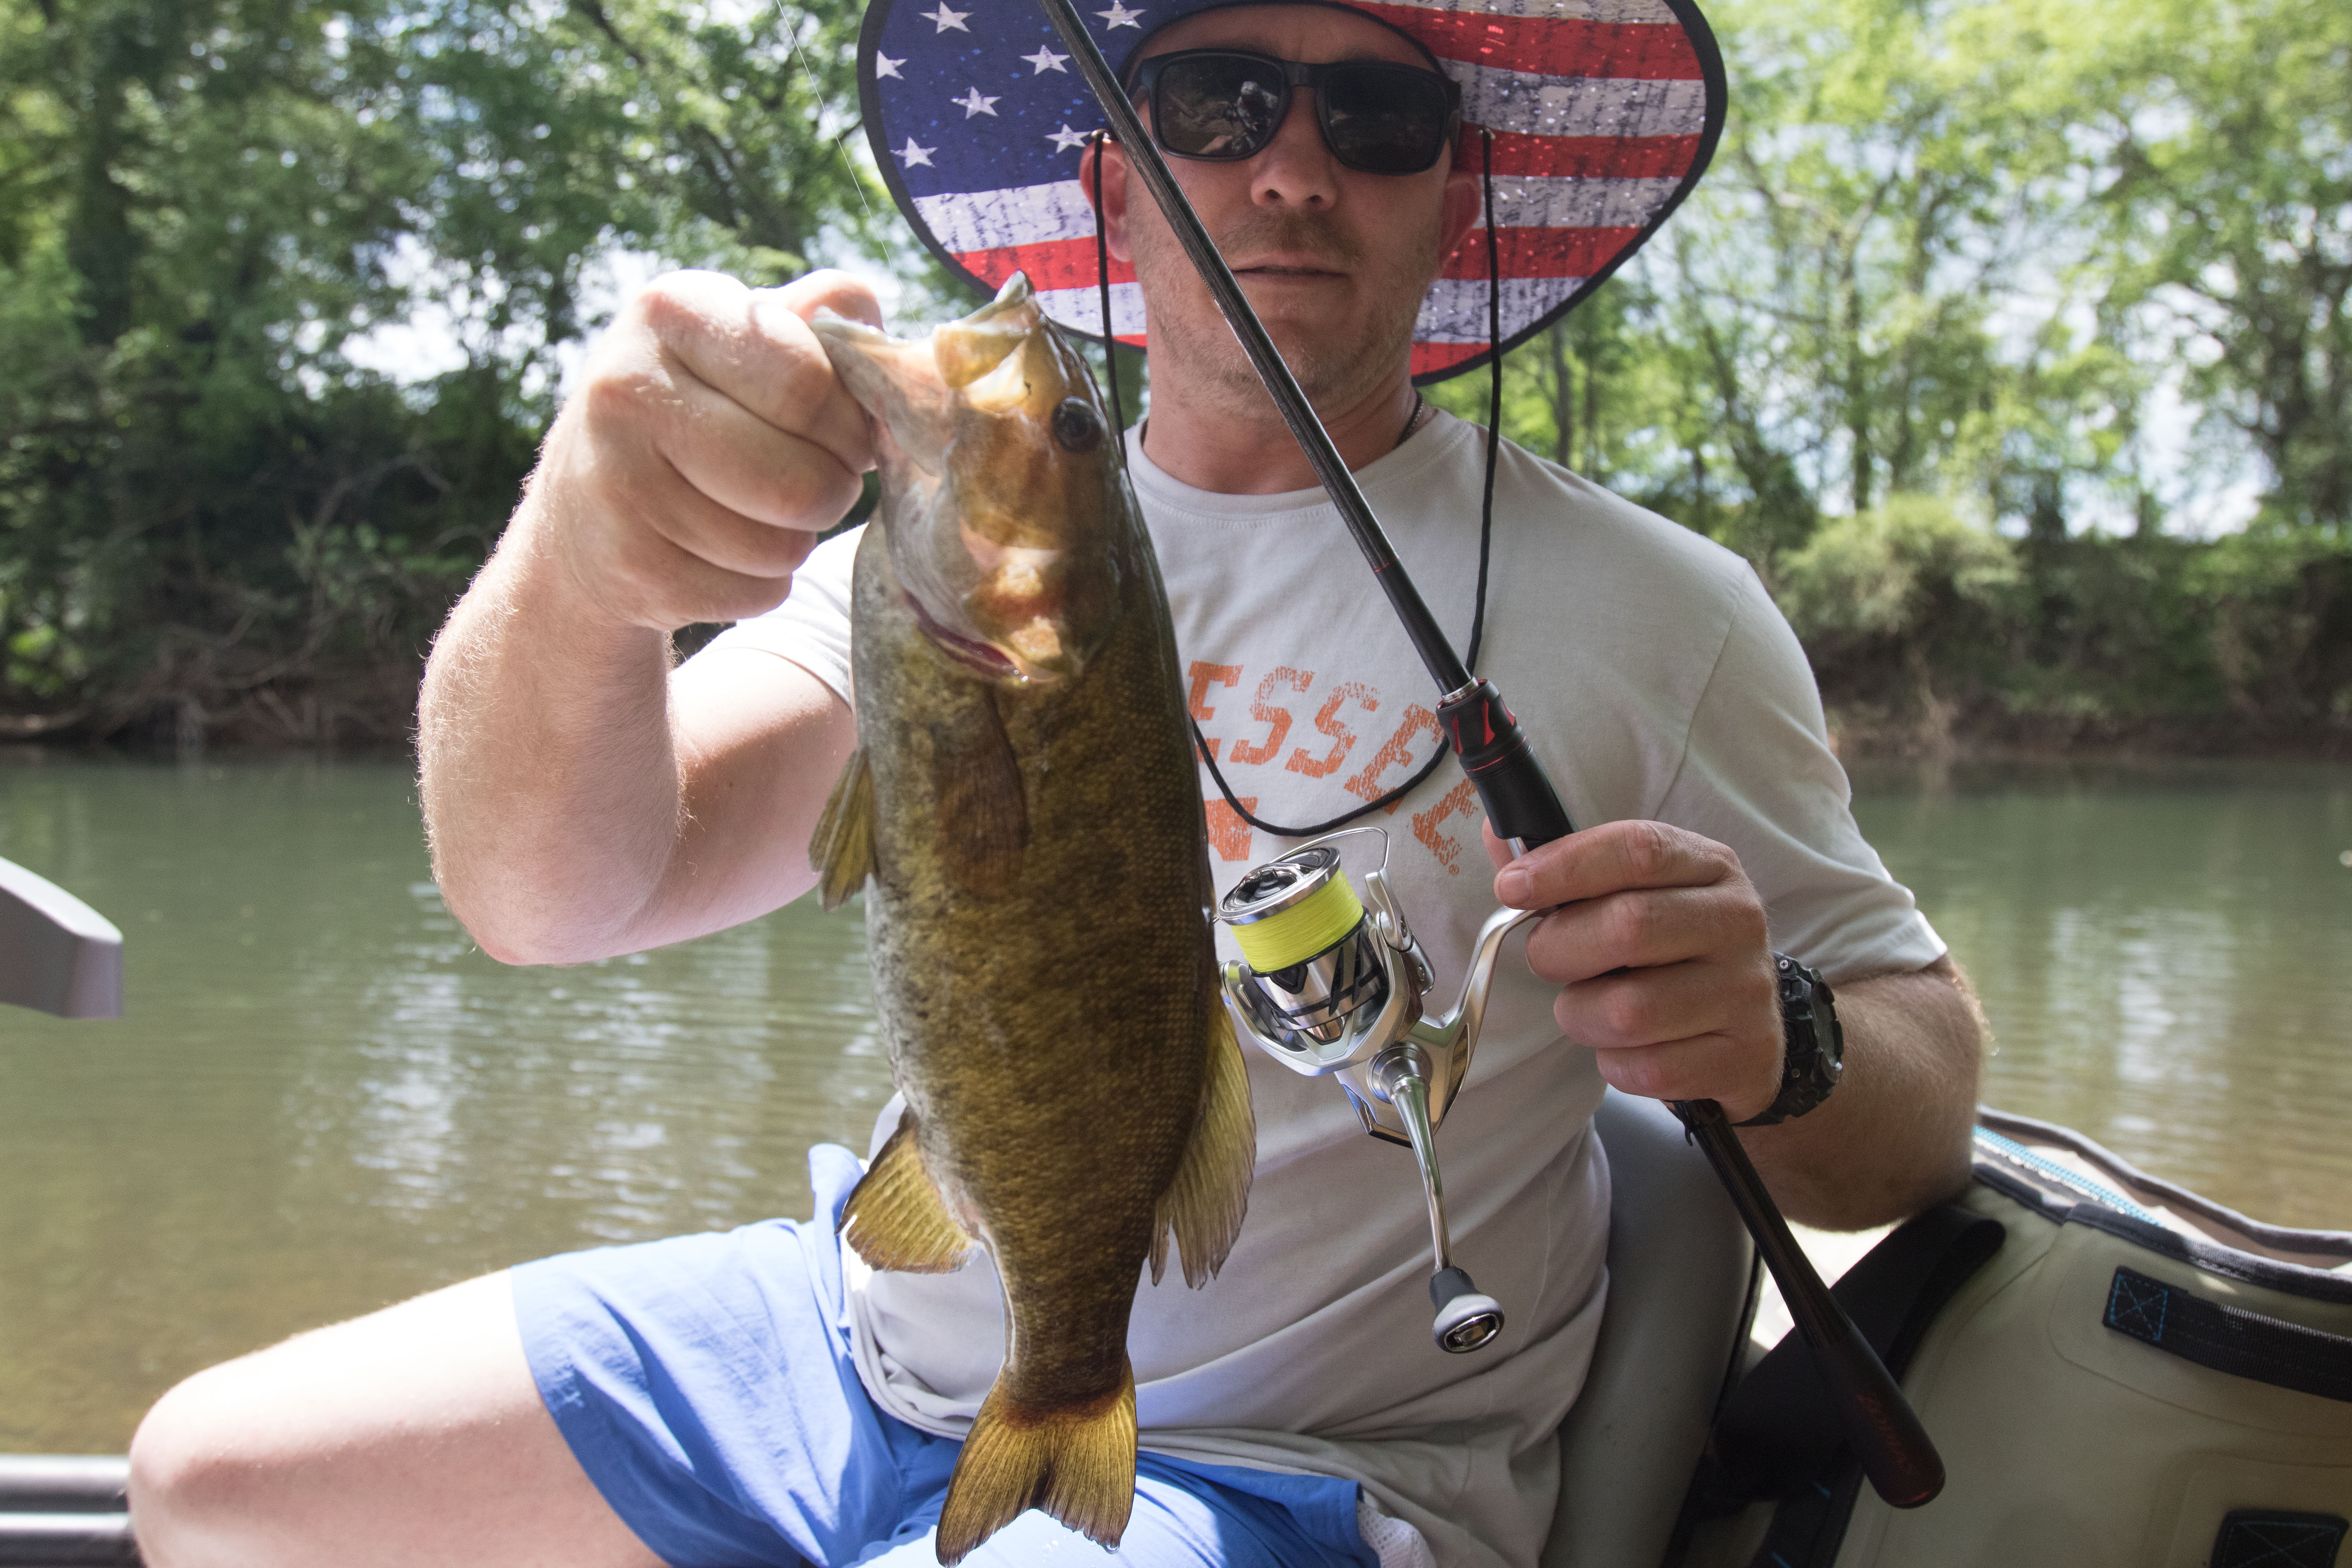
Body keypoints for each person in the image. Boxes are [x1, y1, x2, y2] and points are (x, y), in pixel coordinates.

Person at [123, 3, 1985, 1564]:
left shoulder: (1665, 613)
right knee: (214, 1483)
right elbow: (552, 898)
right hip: (850, 1336)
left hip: (1293, 1469)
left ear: (1457, 195)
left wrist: (1781, 1037)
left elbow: (1918, 1101)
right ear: (1114, 178)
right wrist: (586, 568)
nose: (1292, 165)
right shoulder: (928, 577)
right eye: (1215, 99)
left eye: (1383, 112)